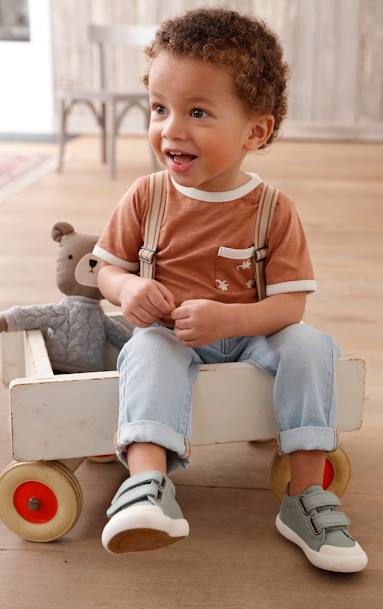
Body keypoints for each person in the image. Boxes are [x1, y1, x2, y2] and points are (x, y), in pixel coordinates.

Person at [93, 7, 368, 572]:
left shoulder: (271, 210)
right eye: (161, 108)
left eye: (198, 112)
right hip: (172, 337)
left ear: (255, 131)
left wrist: (229, 321)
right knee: (144, 346)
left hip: (248, 338)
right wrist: (125, 291)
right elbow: (106, 269)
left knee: (313, 345)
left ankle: (305, 497)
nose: (171, 129)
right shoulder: (146, 197)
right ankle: (147, 485)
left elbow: (290, 304)